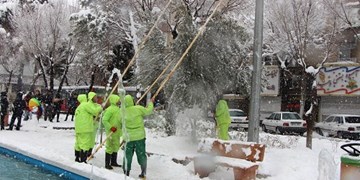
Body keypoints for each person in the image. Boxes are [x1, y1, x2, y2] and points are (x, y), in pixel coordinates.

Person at [122, 95, 154, 178]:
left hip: (128, 138)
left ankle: (126, 173)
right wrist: (150, 103)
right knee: (141, 154)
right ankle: (143, 172)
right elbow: (149, 111)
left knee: (127, 155)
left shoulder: (122, 111)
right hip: (139, 137)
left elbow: (119, 122)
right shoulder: (138, 108)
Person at [74, 93, 102, 163]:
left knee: (78, 143)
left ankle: (77, 158)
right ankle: (83, 161)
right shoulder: (85, 105)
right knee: (85, 144)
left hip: (79, 128)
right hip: (85, 128)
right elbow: (95, 112)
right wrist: (101, 107)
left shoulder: (78, 107)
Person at [102, 94, 122, 169]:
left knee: (116, 146)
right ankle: (107, 164)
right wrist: (110, 127)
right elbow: (104, 120)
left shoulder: (118, 109)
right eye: (118, 100)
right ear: (114, 100)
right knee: (109, 147)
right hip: (111, 132)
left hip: (117, 132)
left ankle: (114, 162)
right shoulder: (110, 109)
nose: (119, 101)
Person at [87, 92, 103, 157]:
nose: (96, 98)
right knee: (88, 140)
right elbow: (94, 112)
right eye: (95, 97)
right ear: (91, 97)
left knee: (92, 140)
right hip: (89, 125)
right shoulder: (88, 105)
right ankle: (86, 153)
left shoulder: (96, 105)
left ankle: (89, 153)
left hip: (94, 125)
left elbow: (100, 111)